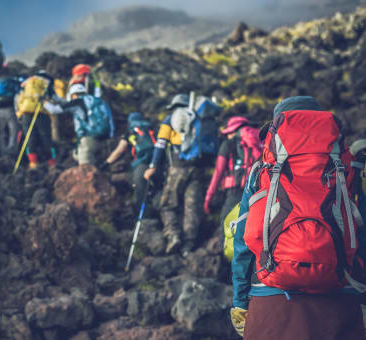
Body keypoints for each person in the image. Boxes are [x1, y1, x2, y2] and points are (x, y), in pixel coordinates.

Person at [231, 96, 366, 339]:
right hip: (340, 298)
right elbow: (361, 234)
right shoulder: (347, 166)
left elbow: (242, 241)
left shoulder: (262, 169)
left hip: (271, 299)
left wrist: (241, 300)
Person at [144, 94, 218, 254]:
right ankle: (188, 246)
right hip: (198, 169)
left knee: (167, 204)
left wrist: (153, 166)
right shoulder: (199, 119)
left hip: (177, 168)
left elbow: (160, 145)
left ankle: (173, 236)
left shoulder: (170, 120)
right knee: (191, 207)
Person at [203, 116, 262, 243]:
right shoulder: (260, 140)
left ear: (234, 130)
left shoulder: (228, 144)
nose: (227, 136)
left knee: (227, 222)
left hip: (235, 191)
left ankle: (226, 259)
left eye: (229, 132)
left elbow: (218, 172)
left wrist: (209, 196)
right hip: (258, 189)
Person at [102, 112, 156, 210]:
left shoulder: (130, 131)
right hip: (156, 161)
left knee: (139, 187)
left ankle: (143, 214)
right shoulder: (150, 128)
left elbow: (119, 150)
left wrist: (106, 163)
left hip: (141, 162)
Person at [61, 84, 114, 166]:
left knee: (83, 158)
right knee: (76, 155)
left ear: (74, 95)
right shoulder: (98, 101)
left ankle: (88, 174)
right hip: (107, 136)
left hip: (90, 137)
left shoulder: (78, 103)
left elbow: (79, 128)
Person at [15, 71, 60, 169]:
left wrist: (19, 113)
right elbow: (55, 98)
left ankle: (33, 163)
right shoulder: (46, 83)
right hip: (41, 112)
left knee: (29, 138)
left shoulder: (26, 83)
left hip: (26, 113)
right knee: (46, 138)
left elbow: (18, 98)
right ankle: (52, 163)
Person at [0, 75, 22, 156]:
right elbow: (18, 94)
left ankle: (2, 151)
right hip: (10, 109)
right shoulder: (13, 83)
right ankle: (12, 150)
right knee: (13, 130)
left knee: (1, 131)